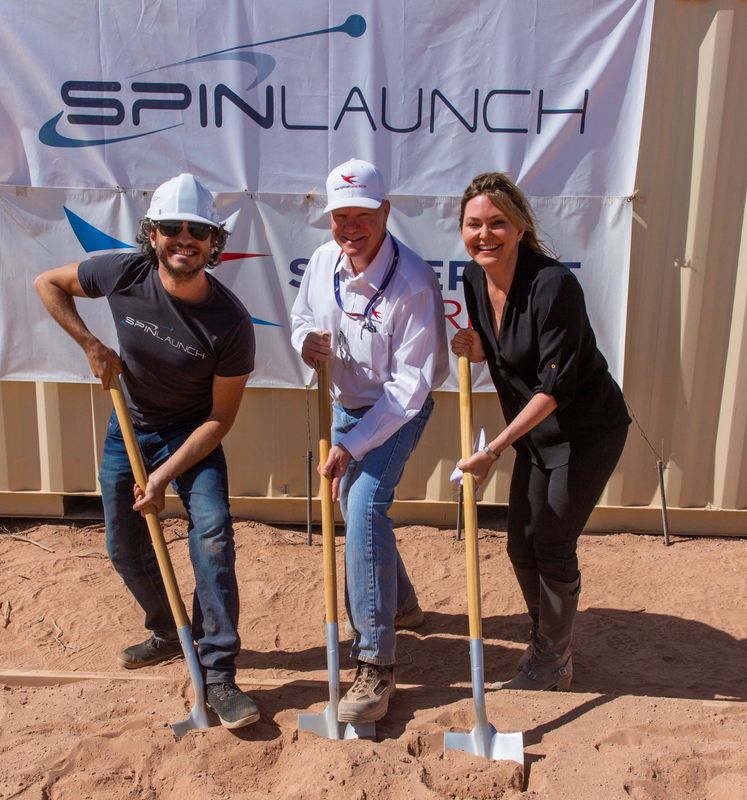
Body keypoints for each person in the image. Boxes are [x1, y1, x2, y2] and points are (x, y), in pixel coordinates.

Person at [34, 173, 260, 729]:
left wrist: (163, 476)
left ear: (214, 243)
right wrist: (90, 343)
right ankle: (166, 627)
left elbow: (220, 418)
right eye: (172, 228)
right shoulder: (123, 271)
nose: (185, 239)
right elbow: (48, 283)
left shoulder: (230, 323)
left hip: (192, 440)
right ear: (152, 234)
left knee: (211, 539)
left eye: (198, 231)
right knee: (122, 545)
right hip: (130, 431)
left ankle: (219, 673)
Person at [450, 172, 629, 691]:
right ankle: (546, 638)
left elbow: (552, 387)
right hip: (536, 432)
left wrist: (495, 451)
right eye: (474, 224)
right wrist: (477, 346)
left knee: (551, 539)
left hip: (584, 430)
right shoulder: (472, 278)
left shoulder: (554, 285)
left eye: (497, 223)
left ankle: (553, 659)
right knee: (519, 542)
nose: (485, 235)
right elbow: (506, 351)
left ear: (522, 225)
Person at [289, 158, 448, 723]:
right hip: (344, 402)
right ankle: (400, 605)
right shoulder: (324, 260)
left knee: (361, 505)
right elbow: (302, 313)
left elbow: (410, 388)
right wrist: (306, 340)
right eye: (339, 217)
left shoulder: (413, 283)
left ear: (385, 211)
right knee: (359, 513)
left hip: (395, 411)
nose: (349, 227)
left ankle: (375, 663)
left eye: (361, 215)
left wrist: (352, 447)